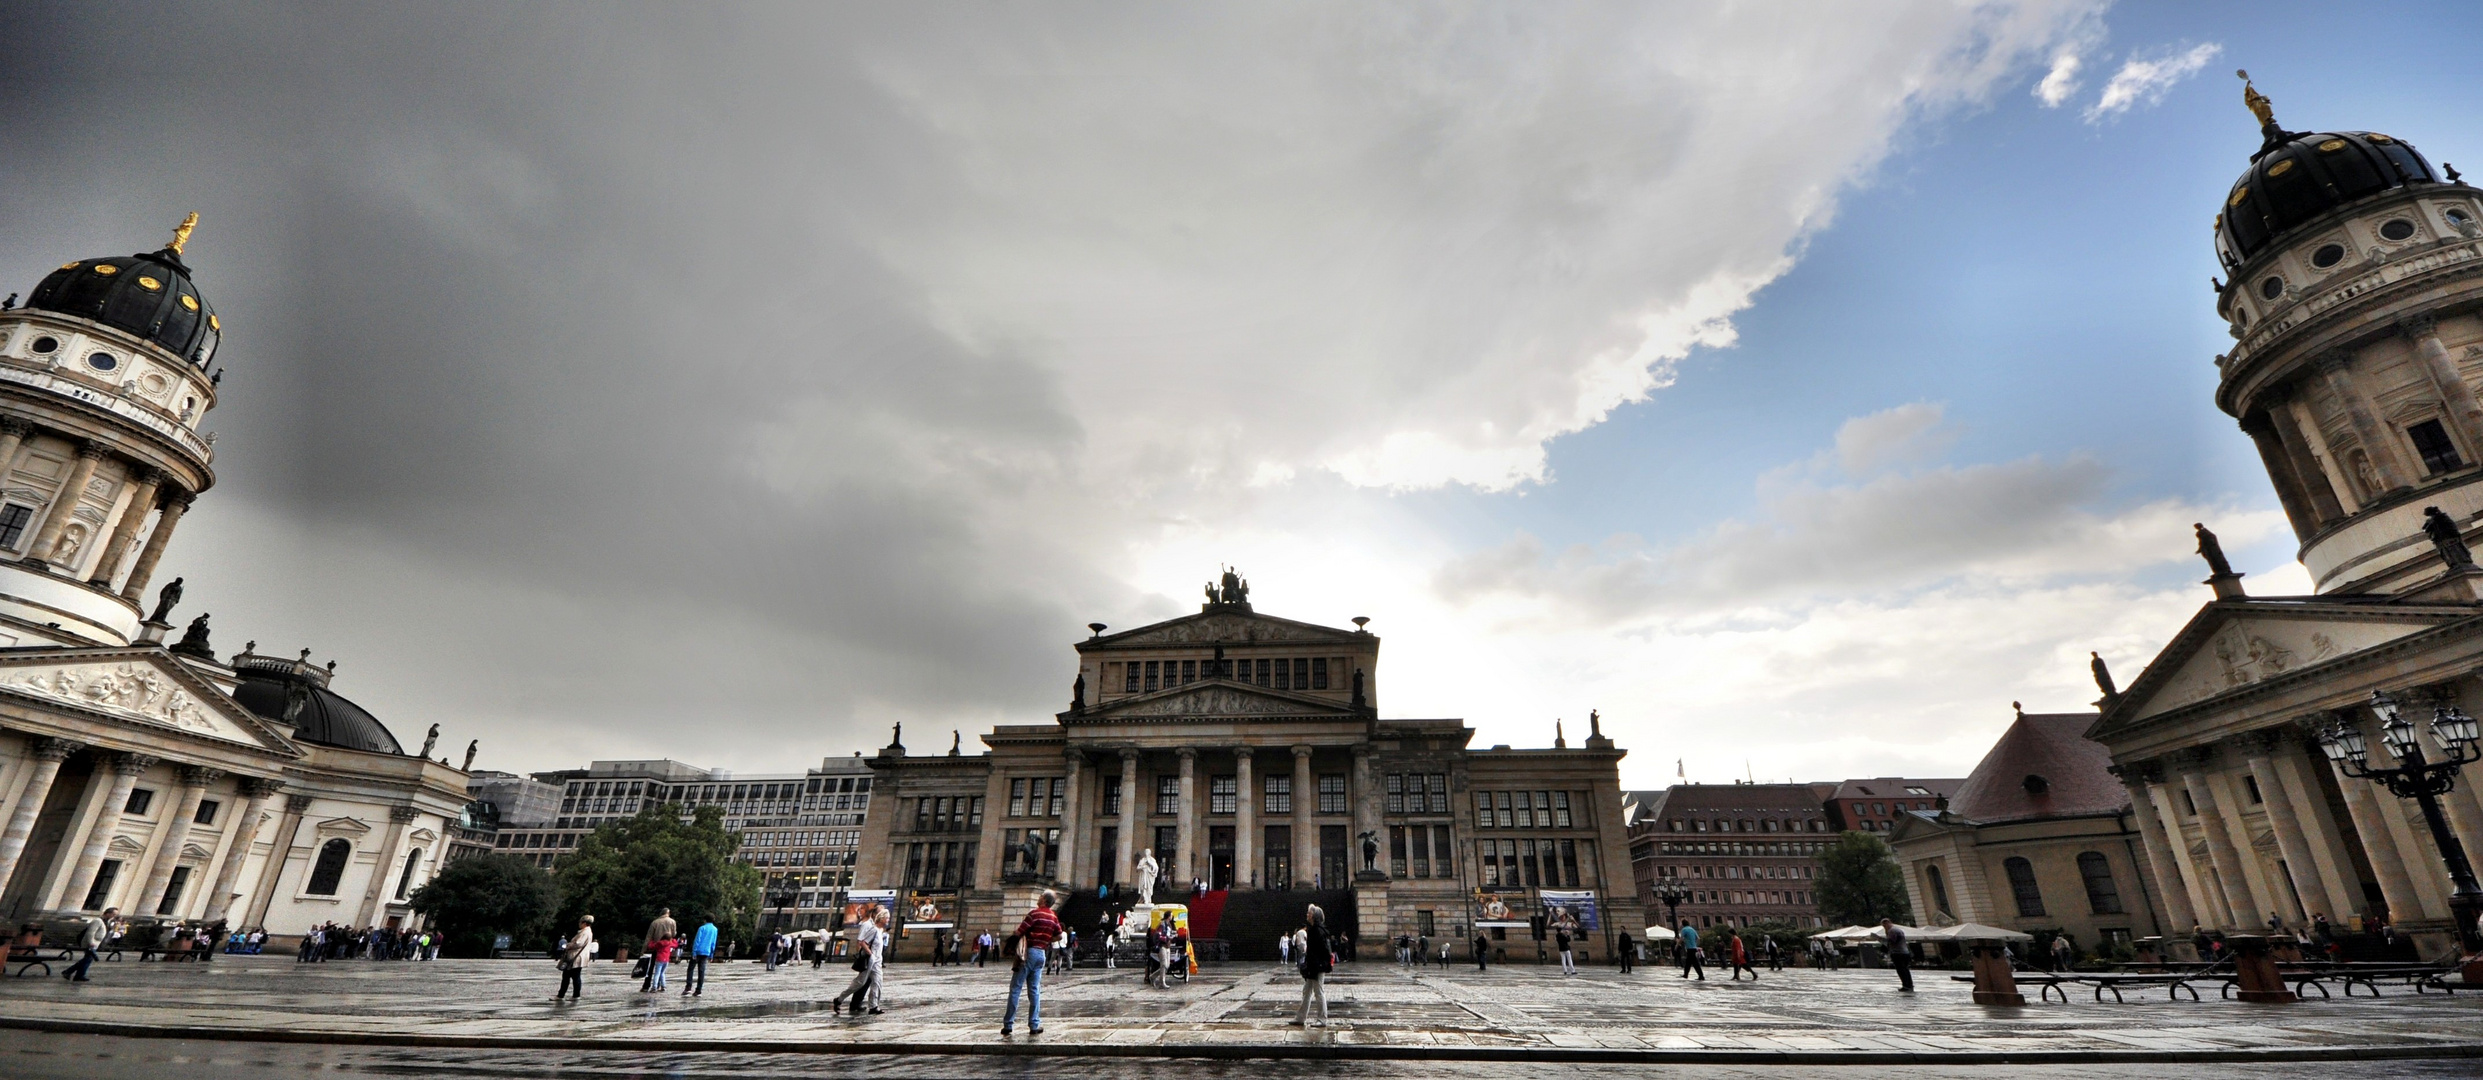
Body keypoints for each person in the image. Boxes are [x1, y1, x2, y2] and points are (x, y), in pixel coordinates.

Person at [1003, 891, 1062, 1036]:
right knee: (1034, 990)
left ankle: (1008, 1025)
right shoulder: (1053, 916)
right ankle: (1034, 1024)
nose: (1039, 897)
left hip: (1028, 953)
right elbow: (1059, 935)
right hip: (1041, 954)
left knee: (1016, 988)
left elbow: (1019, 932)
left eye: (1041, 895)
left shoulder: (1034, 914)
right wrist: (1046, 940)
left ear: (1044, 900)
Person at [832, 905, 884, 1016]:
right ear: (875, 914)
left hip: (876, 961)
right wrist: (861, 956)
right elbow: (861, 941)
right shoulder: (868, 925)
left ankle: (873, 1006)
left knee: (876, 983)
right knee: (860, 983)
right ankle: (841, 1000)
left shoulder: (879, 928)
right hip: (868, 959)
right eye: (882, 913)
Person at [1294, 904, 1333, 1028]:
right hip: (1313, 966)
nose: (1307, 915)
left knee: (1318, 992)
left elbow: (1323, 950)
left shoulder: (1317, 930)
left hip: (1317, 966)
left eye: (1309, 913)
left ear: (1314, 916)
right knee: (1307, 991)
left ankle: (1322, 1019)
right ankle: (1300, 1018)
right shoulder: (1313, 929)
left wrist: (1318, 964)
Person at [61, 907, 114, 982]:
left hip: (95, 943)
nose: (114, 916)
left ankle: (79, 975)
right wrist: (91, 942)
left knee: (88, 959)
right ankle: (69, 972)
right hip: (91, 943)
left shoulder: (106, 922)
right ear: (108, 913)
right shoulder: (98, 921)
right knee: (88, 959)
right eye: (113, 914)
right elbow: (90, 932)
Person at [555, 915, 594, 1001]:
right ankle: (573, 995)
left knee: (569, 976)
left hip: (575, 957)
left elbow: (578, 944)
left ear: (584, 923)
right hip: (577, 957)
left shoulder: (584, 932)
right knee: (573, 976)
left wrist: (568, 946)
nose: (579, 924)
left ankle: (563, 995)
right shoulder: (587, 931)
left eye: (580, 922)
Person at [642, 908, 678, 992]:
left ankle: (646, 986)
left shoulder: (655, 922)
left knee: (650, 968)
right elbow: (673, 934)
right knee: (662, 971)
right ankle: (659, 985)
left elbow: (649, 936)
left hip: (656, 947)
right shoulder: (672, 922)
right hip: (667, 949)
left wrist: (644, 949)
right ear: (668, 913)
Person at [684, 916, 718, 996]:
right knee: (701, 971)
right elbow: (713, 942)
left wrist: (694, 952)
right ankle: (698, 990)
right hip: (707, 951)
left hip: (698, 950)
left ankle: (688, 987)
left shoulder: (702, 928)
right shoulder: (715, 929)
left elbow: (697, 940)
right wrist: (711, 954)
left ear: (705, 920)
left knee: (691, 969)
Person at [1881, 918, 1913, 992]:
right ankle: (1909, 985)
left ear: (1887, 923)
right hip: (1905, 952)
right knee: (1905, 969)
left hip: (1898, 953)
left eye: (1884, 926)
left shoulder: (1892, 931)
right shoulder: (1898, 930)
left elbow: (1892, 941)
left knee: (1901, 970)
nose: (1884, 927)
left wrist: (1881, 939)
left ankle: (1906, 985)